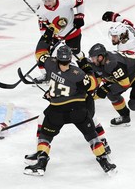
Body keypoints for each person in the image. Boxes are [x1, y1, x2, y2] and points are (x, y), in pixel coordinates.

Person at [24, 45, 117, 176]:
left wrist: (49, 34)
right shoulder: (77, 74)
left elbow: (41, 55)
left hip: (56, 110)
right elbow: (93, 85)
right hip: (78, 110)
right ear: (69, 58)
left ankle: (41, 161)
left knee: (45, 135)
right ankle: (105, 162)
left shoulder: (50, 63)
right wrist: (87, 67)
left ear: (57, 58)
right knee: (92, 136)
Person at [88, 43, 135, 126]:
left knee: (134, 104)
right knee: (111, 93)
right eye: (91, 58)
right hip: (128, 73)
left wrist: (104, 89)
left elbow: (124, 84)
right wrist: (91, 91)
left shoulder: (113, 64)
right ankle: (125, 117)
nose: (92, 60)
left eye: (94, 58)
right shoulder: (100, 62)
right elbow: (98, 76)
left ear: (101, 57)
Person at [34, 0, 85, 83]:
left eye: (49, 0)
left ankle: (85, 65)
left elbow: (81, 0)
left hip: (72, 32)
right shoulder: (41, 10)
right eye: (45, 1)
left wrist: (80, 16)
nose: (47, 3)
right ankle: (48, 75)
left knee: (74, 55)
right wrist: (48, 34)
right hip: (56, 35)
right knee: (45, 55)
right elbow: (43, 27)